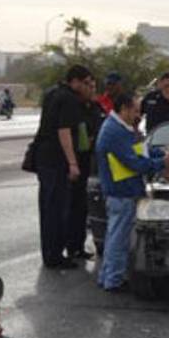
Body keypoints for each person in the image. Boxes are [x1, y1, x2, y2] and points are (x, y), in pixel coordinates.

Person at [94, 93, 169, 291]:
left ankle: (108, 277)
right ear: (124, 109)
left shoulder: (121, 128)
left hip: (123, 190)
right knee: (118, 239)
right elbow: (135, 163)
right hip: (121, 192)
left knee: (115, 236)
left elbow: (141, 150)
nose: (138, 115)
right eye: (135, 110)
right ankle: (113, 280)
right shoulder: (115, 132)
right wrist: (163, 162)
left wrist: (160, 152)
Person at [32, 64, 91, 269]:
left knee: (49, 208)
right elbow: (63, 131)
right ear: (75, 81)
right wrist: (72, 162)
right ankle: (54, 256)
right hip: (56, 160)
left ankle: (51, 253)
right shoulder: (69, 99)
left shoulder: (52, 93)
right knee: (56, 210)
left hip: (45, 159)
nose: (87, 87)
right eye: (85, 83)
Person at [65, 74, 104, 261]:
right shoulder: (73, 108)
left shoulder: (95, 107)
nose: (92, 90)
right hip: (78, 162)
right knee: (74, 207)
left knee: (85, 208)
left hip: (92, 163)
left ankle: (79, 246)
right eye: (89, 85)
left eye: (94, 86)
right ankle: (72, 246)